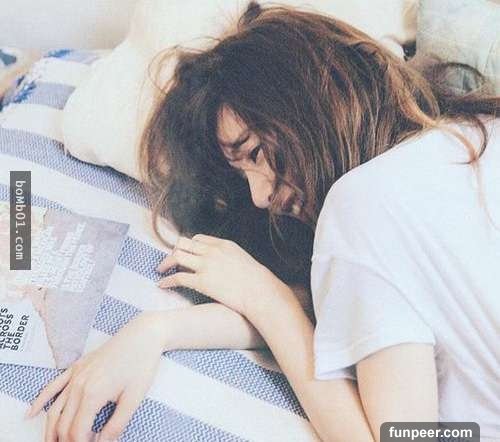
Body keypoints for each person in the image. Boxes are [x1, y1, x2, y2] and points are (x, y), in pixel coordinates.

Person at [27, 3, 500, 441]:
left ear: (309, 103)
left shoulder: (360, 204)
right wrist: (157, 331)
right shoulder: (471, 137)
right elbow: (343, 303)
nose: (259, 197)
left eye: (254, 153)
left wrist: (267, 300)